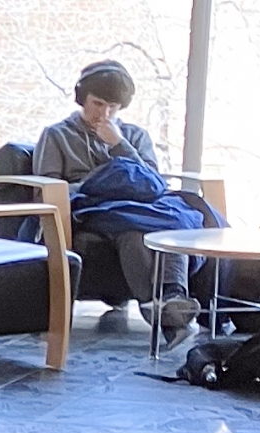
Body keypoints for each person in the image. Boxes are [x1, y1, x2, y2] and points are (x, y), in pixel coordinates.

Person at [33, 60, 200, 337]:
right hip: (90, 210)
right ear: (81, 98)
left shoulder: (135, 135)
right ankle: (165, 312)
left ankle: (172, 300)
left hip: (138, 211)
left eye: (113, 107)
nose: (105, 114)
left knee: (147, 229)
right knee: (142, 226)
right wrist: (101, 184)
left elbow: (153, 183)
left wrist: (119, 145)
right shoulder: (57, 135)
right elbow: (48, 191)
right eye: (98, 104)